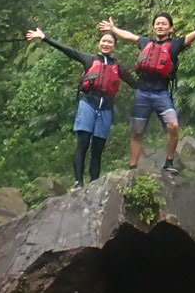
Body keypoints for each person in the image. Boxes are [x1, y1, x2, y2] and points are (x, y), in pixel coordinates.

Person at [100, 11, 195, 173]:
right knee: (137, 131)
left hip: (161, 93)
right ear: (153, 27)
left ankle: (169, 162)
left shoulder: (175, 44)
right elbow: (128, 36)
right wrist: (113, 28)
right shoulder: (145, 42)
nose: (160, 26)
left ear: (171, 29)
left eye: (164, 24)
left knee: (173, 126)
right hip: (143, 93)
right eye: (157, 24)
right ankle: (132, 167)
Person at [26, 26, 132, 187]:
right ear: (99, 43)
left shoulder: (118, 66)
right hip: (88, 103)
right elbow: (68, 50)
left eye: (110, 42)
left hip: (106, 108)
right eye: (103, 41)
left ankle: (95, 183)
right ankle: (79, 182)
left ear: (114, 46)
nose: (106, 44)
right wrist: (45, 37)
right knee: (83, 143)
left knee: (98, 148)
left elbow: (134, 82)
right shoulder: (89, 59)